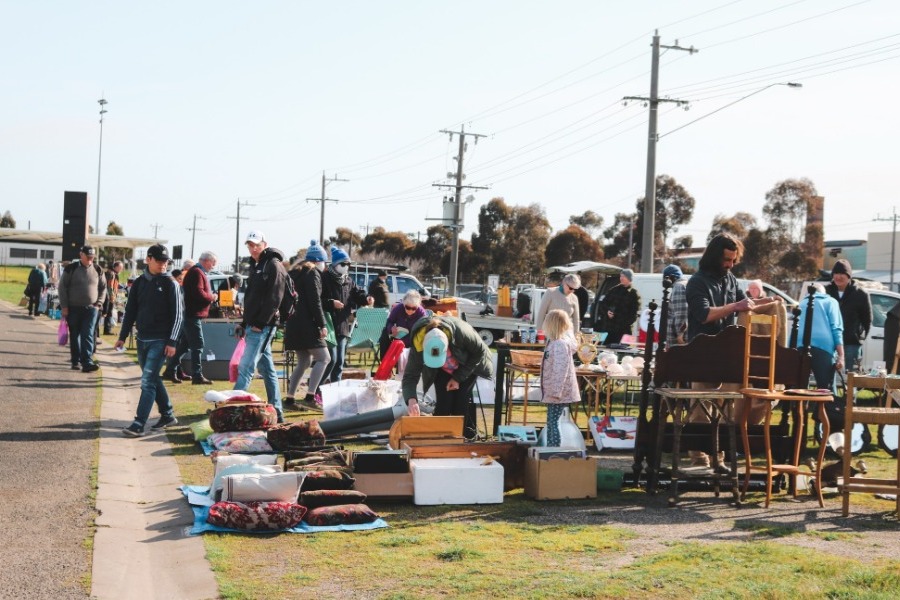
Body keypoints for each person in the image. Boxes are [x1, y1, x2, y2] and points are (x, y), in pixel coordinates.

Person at [685, 233, 775, 470]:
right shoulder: (697, 282)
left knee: (725, 407)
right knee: (700, 407)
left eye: (734, 260)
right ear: (715, 256)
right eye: (727, 259)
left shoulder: (730, 279)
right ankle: (699, 458)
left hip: (727, 353)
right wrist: (736, 306)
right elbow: (704, 315)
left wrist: (771, 303)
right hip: (701, 353)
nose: (730, 265)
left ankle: (719, 457)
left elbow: (747, 305)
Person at [116, 244, 184, 437]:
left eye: (166, 261)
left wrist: (172, 341)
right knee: (152, 378)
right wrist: (122, 336)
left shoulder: (171, 283)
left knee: (147, 381)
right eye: (159, 260)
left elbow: (179, 315)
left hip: (161, 340)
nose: (163, 265)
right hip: (142, 338)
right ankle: (168, 414)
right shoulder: (139, 283)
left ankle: (139, 423)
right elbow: (130, 311)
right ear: (148, 259)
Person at [402, 315, 493, 439]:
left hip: (468, 365)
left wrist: (457, 378)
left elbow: (479, 352)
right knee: (443, 405)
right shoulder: (418, 344)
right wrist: (411, 400)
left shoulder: (461, 332)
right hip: (441, 370)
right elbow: (410, 375)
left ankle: (462, 438)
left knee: (460, 404)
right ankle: (438, 438)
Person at [233, 230, 290, 423]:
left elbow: (275, 297)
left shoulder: (273, 265)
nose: (253, 248)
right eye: (250, 245)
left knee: (246, 367)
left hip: (263, 326)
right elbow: (252, 298)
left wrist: (259, 323)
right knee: (267, 371)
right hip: (255, 324)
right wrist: (244, 322)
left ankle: (231, 408)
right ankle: (279, 413)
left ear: (264, 244)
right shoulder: (257, 264)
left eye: (256, 244)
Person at [284, 241, 332, 409]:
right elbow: (315, 301)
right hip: (307, 324)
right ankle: (310, 397)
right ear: (320, 261)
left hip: (292, 323)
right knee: (324, 358)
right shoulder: (312, 273)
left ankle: (289, 399)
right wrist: (322, 324)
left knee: (304, 361)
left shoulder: (293, 272)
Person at [320, 246, 373, 384]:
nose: (346, 267)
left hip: (343, 325)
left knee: (339, 362)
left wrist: (366, 298)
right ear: (335, 264)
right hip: (328, 325)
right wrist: (331, 303)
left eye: (348, 264)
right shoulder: (324, 278)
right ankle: (317, 389)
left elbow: (358, 293)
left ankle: (335, 389)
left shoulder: (348, 280)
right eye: (343, 264)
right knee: (330, 360)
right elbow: (317, 300)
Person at [164, 251, 217, 385]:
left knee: (185, 346)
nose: (214, 265)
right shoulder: (197, 272)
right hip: (192, 315)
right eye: (213, 262)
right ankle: (197, 375)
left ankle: (170, 370)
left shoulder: (196, 272)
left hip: (191, 314)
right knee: (198, 345)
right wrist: (212, 297)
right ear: (205, 261)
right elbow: (198, 293)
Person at [59, 245, 107, 372]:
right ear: (81, 255)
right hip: (73, 308)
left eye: (92, 257)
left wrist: (98, 304)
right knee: (75, 335)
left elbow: (103, 288)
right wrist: (64, 306)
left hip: (91, 309)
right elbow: (62, 287)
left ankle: (87, 362)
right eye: (88, 257)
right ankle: (75, 361)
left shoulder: (98, 269)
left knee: (88, 334)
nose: (90, 259)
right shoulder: (71, 268)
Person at [539, 309, 579, 447]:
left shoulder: (559, 344)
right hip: (554, 390)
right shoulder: (554, 342)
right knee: (551, 422)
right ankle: (552, 448)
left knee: (553, 422)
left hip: (558, 392)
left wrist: (556, 392)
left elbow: (560, 370)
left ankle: (554, 450)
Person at [825, 259, 872, 373]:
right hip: (829, 343)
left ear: (849, 276)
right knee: (829, 378)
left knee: (850, 379)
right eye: (836, 273)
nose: (838, 277)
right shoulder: (826, 292)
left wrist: (860, 337)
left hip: (851, 343)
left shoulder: (861, 294)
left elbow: (867, 319)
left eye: (842, 274)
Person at [796, 283, 845, 389]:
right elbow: (836, 328)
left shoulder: (801, 303)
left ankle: (800, 404)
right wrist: (841, 355)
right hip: (823, 346)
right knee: (825, 387)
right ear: (824, 293)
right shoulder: (831, 302)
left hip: (800, 344)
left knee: (800, 385)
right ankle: (826, 405)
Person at [378, 290, 427, 360]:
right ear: (404, 304)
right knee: (385, 333)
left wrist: (404, 341)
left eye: (414, 308)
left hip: (413, 339)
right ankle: (384, 362)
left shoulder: (421, 314)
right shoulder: (398, 308)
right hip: (397, 337)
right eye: (408, 307)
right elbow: (389, 321)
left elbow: (421, 332)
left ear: (418, 306)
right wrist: (391, 328)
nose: (410, 310)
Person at [597, 269, 640, 345]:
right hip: (610, 328)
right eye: (621, 276)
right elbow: (603, 304)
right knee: (607, 350)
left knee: (624, 352)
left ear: (629, 278)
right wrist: (607, 312)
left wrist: (625, 322)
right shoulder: (613, 290)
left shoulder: (634, 294)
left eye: (624, 276)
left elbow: (634, 313)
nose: (621, 278)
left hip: (625, 330)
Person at [662, 264, 688, 349]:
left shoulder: (679, 286)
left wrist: (680, 335)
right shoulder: (686, 284)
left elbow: (681, 313)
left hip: (677, 344)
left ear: (671, 277)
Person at [102, 260, 124, 334]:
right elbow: (110, 286)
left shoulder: (111, 273)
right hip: (108, 297)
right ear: (116, 267)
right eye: (120, 268)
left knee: (108, 313)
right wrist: (111, 296)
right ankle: (107, 330)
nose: (121, 269)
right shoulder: (111, 274)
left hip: (108, 296)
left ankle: (107, 329)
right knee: (108, 313)